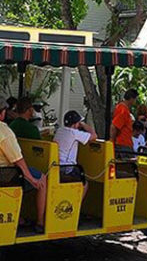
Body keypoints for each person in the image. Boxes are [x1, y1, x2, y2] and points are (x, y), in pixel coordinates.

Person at [0, 99, 46, 232]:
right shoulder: (5, 131)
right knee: (41, 178)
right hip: (5, 174)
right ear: (2, 114)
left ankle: (19, 216)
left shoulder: (13, 125)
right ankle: (40, 222)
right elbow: (18, 160)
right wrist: (32, 179)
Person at [54, 110, 96, 203]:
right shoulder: (74, 133)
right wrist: (84, 125)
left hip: (55, 167)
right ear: (75, 124)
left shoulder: (60, 130)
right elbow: (94, 136)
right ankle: (76, 206)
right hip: (67, 169)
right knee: (85, 184)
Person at [110, 88, 138, 156]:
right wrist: (111, 143)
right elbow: (114, 127)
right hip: (122, 145)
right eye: (135, 99)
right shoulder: (123, 110)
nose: (135, 101)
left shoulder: (122, 108)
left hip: (125, 143)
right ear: (131, 98)